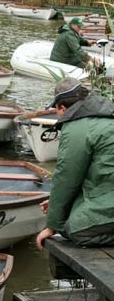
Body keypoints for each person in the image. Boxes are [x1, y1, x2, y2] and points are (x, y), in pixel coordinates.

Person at [36, 78, 114, 250]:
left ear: (62, 108)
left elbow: (66, 176)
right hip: (107, 190)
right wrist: (57, 203)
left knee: (74, 229)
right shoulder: (104, 115)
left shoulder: (76, 127)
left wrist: (52, 226)